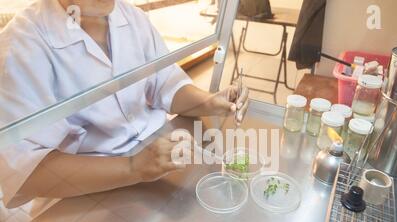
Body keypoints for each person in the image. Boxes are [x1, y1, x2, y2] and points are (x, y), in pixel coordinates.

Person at [0, 0, 248, 208]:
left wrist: (209, 101)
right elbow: (25, 171)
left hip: (157, 165)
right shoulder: (22, 44)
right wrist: (134, 166)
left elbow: (165, 83)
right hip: (83, 193)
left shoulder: (132, 17)